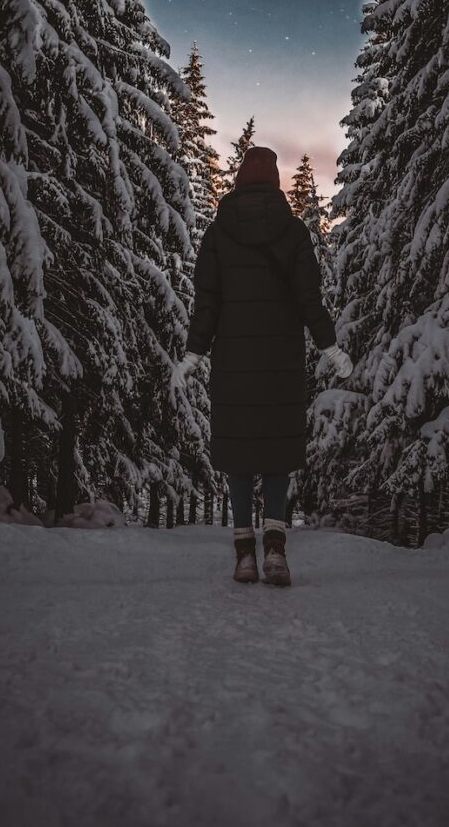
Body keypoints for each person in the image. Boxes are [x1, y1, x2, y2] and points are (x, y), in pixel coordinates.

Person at [171, 145, 353, 585]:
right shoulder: (294, 233)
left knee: (239, 456)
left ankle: (244, 557)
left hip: (233, 364)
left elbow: (207, 303)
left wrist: (193, 353)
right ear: (274, 181)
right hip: (281, 365)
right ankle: (275, 553)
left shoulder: (218, 234)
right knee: (275, 456)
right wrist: (330, 347)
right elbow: (310, 301)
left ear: (239, 181)